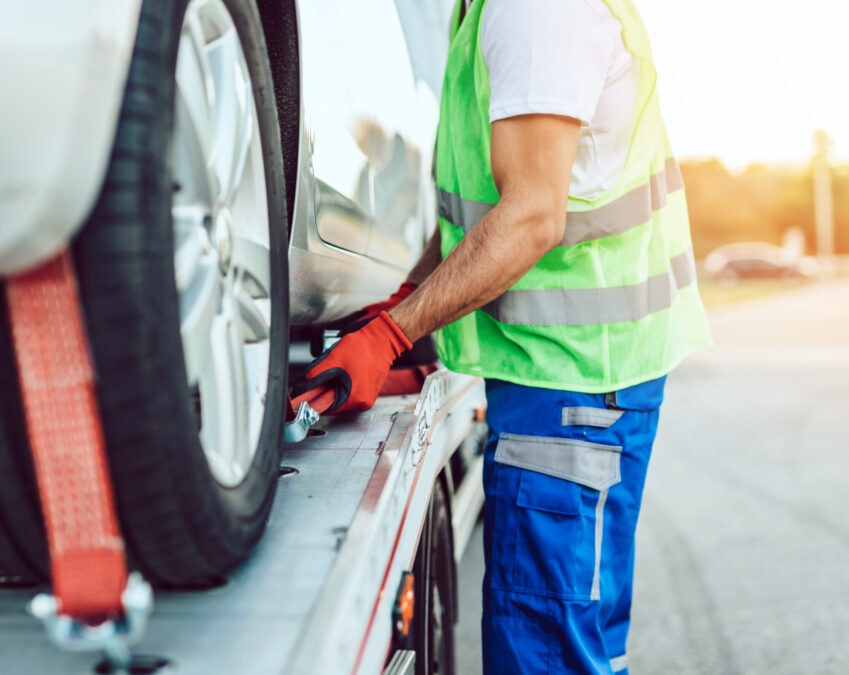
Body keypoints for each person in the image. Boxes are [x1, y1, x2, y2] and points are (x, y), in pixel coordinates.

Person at [290, 0, 712, 672]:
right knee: (577, 646)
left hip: (572, 394)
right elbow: (479, 212)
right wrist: (406, 314)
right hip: (575, 385)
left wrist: (392, 335)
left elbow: (531, 216)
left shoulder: (535, 11)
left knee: (547, 656)